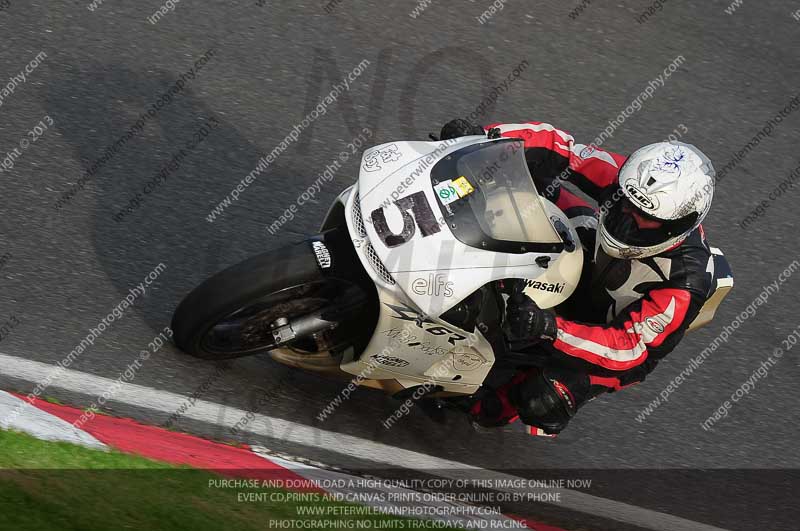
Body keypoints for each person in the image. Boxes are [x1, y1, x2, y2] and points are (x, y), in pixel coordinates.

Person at [439, 119, 716, 435]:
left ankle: (498, 401)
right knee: (526, 178)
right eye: (625, 204)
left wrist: (551, 328)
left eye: (645, 220)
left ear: (676, 226)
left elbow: (628, 349)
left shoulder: (684, 281)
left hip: (610, 335)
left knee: (539, 399)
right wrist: (486, 139)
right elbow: (561, 149)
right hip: (594, 257)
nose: (628, 219)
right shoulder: (628, 181)